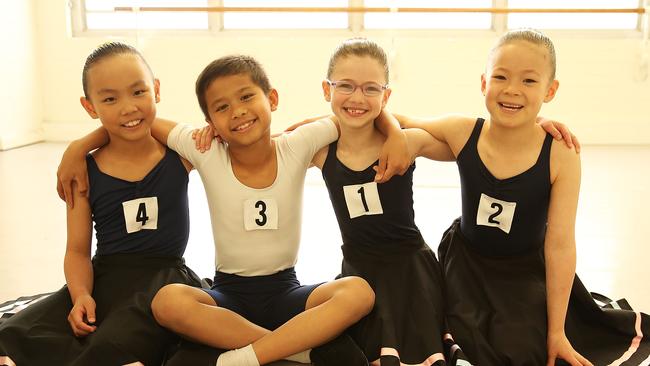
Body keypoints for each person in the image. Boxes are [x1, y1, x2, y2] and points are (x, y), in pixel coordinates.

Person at [56, 54, 411, 366]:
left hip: (287, 291)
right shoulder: (206, 152)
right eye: (221, 107)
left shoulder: (298, 145)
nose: (237, 111)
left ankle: (248, 356)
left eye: (246, 97)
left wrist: (393, 131)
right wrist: (79, 147)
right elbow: (136, 123)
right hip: (228, 297)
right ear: (209, 122)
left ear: (271, 99)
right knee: (167, 302)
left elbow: (357, 113)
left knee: (358, 292)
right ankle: (294, 350)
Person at [401, 29, 650, 366]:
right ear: (483, 82)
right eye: (500, 76)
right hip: (467, 264)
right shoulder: (463, 131)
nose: (512, 89)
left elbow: (560, 243)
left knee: (524, 349)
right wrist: (326, 124)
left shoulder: (561, 153)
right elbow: (400, 122)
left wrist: (557, 331)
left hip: (527, 269)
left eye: (529, 81)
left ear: (551, 90)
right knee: (457, 336)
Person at [0, 42, 203, 366]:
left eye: (139, 92)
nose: (128, 107)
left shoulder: (179, 155)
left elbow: (198, 135)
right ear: (89, 106)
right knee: (14, 333)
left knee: (115, 344)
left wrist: (79, 144)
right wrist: (81, 294)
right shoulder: (83, 173)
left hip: (164, 280)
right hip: (104, 278)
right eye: (110, 99)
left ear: (157, 89)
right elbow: (77, 251)